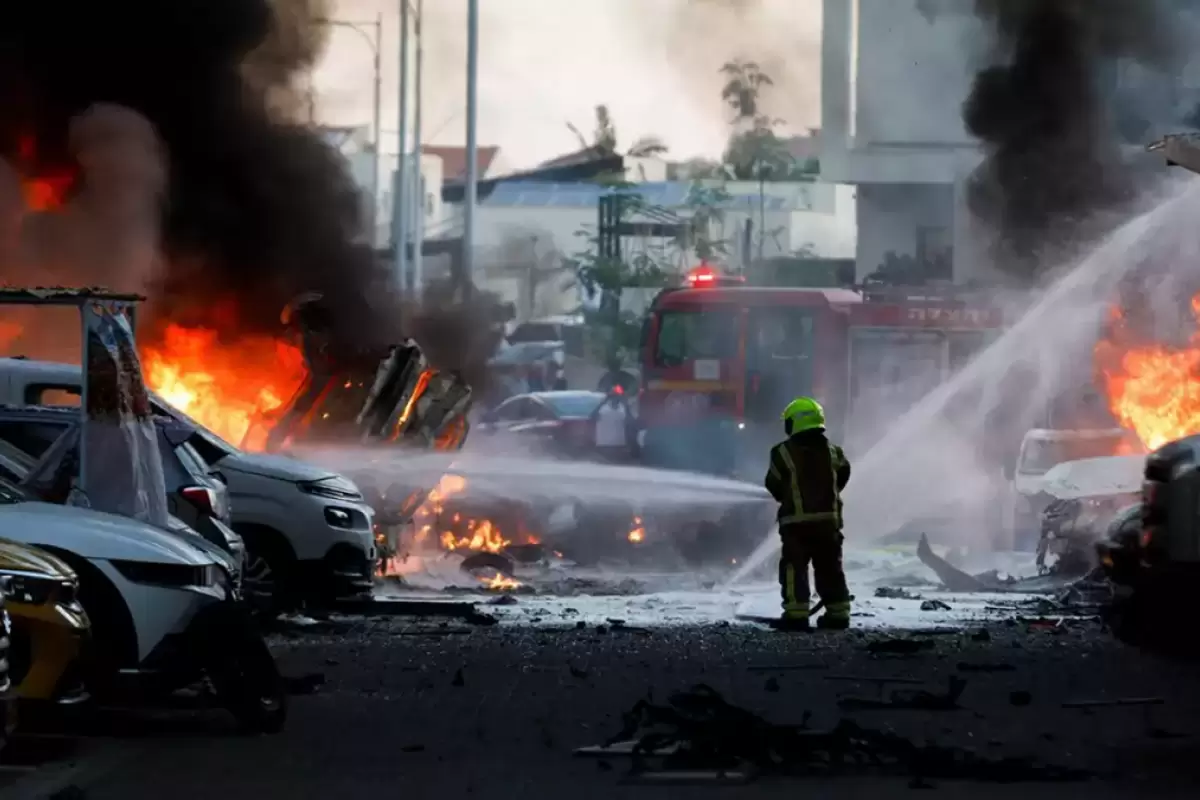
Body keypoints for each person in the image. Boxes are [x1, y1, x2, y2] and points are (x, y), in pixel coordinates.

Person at [765, 397, 852, 631]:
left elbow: (772, 483)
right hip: (828, 522)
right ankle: (839, 613)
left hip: (796, 524)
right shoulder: (834, 452)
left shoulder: (782, 453)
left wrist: (789, 495)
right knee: (830, 567)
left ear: (794, 423)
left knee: (795, 567)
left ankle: (796, 614)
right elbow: (843, 475)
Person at [592, 386, 633, 463]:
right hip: (603, 445)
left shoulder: (623, 408)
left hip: (619, 445)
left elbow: (630, 422)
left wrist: (626, 405)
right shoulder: (603, 407)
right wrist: (604, 401)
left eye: (618, 395)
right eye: (614, 395)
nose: (616, 397)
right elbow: (592, 417)